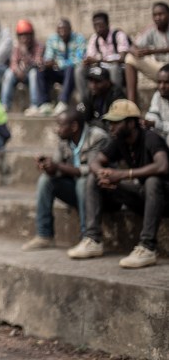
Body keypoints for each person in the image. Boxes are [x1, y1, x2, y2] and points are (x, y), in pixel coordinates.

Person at [67, 100, 168, 269]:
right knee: (94, 178)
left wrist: (122, 175)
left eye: (116, 122)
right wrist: (102, 173)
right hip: (142, 197)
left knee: (153, 181)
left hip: (163, 198)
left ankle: (148, 247)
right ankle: (93, 239)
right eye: (109, 122)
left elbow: (163, 166)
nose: (111, 127)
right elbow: (95, 161)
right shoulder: (119, 140)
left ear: (130, 123)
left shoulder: (151, 138)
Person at [21, 109, 109, 251]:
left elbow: (92, 169)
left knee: (83, 181)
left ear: (74, 127)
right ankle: (44, 235)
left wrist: (57, 166)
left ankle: (88, 238)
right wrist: (48, 167)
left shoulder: (97, 137)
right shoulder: (64, 140)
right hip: (76, 190)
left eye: (60, 125)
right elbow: (57, 166)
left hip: (101, 193)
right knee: (46, 180)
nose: (57, 130)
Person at [124, 2, 169, 105]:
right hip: (161, 70)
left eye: (161, 14)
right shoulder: (151, 29)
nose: (158, 18)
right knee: (130, 58)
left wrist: (152, 51)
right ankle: (132, 105)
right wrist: (136, 51)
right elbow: (132, 46)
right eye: (155, 15)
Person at [40, 18, 87, 116]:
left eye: (65, 29)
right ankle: (45, 103)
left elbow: (78, 60)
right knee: (41, 69)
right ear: (57, 30)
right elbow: (48, 56)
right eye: (60, 29)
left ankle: (63, 102)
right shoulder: (52, 39)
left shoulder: (79, 39)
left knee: (71, 68)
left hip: (71, 73)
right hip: (57, 72)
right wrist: (47, 62)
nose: (62, 32)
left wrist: (59, 63)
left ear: (70, 29)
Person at [78, 11, 130, 95]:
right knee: (80, 70)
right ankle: (85, 101)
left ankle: (116, 98)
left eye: (100, 25)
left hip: (119, 69)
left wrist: (99, 60)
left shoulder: (118, 35)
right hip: (102, 69)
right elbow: (90, 56)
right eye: (95, 25)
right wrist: (87, 61)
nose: (98, 28)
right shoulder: (94, 38)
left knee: (114, 68)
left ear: (107, 24)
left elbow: (122, 58)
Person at [1, 19, 46, 115]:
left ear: (31, 35)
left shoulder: (39, 46)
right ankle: (5, 105)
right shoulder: (16, 47)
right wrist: (18, 71)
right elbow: (13, 63)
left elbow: (37, 63)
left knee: (34, 73)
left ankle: (34, 105)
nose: (24, 38)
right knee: (8, 73)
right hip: (19, 74)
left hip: (31, 74)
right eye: (21, 35)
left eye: (27, 35)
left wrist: (26, 53)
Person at [78, 66, 125, 130]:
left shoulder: (116, 95)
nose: (93, 86)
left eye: (97, 82)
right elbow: (84, 118)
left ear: (108, 82)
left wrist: (95, 123)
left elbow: (115, 124)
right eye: (91, 81)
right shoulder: (90, 93)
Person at [143, 63, 169, 141]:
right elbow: (152, 115)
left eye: (166, 82)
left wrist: (156, 124)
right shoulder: (158, 95)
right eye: (159, 82)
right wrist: (147, 122)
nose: (162, 86)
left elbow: (157, 124)